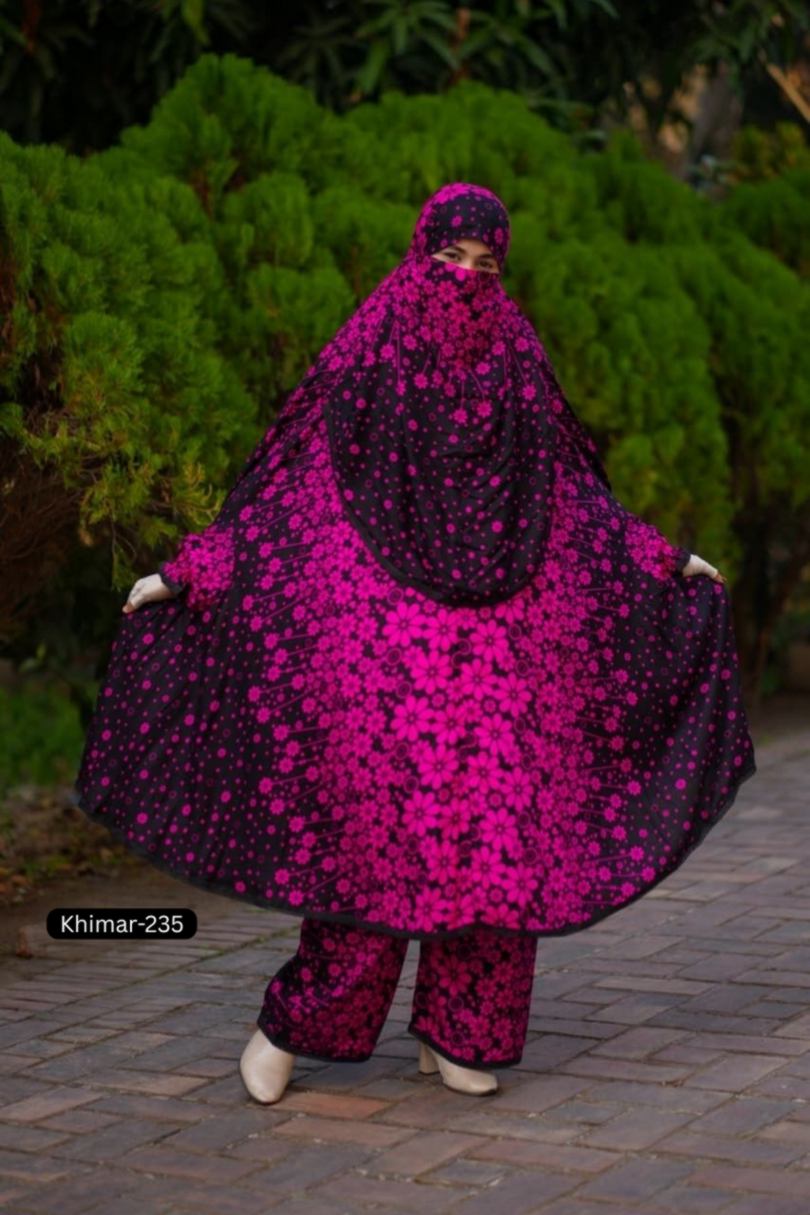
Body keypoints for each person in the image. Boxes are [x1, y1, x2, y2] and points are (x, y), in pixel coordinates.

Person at [73, 182, 756, 1104]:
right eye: (449, 261)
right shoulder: (368, 355)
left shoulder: (517, 358)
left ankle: (463, 1030)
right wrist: (194, 569)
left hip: (500, 644)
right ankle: (294, 1024)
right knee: (383, 836)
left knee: (500, 832)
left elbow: (575, 490)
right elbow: (284, 486)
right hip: (385, 644)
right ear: (418, 257)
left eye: (485, 267)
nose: (466, 282)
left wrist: (659, 560)